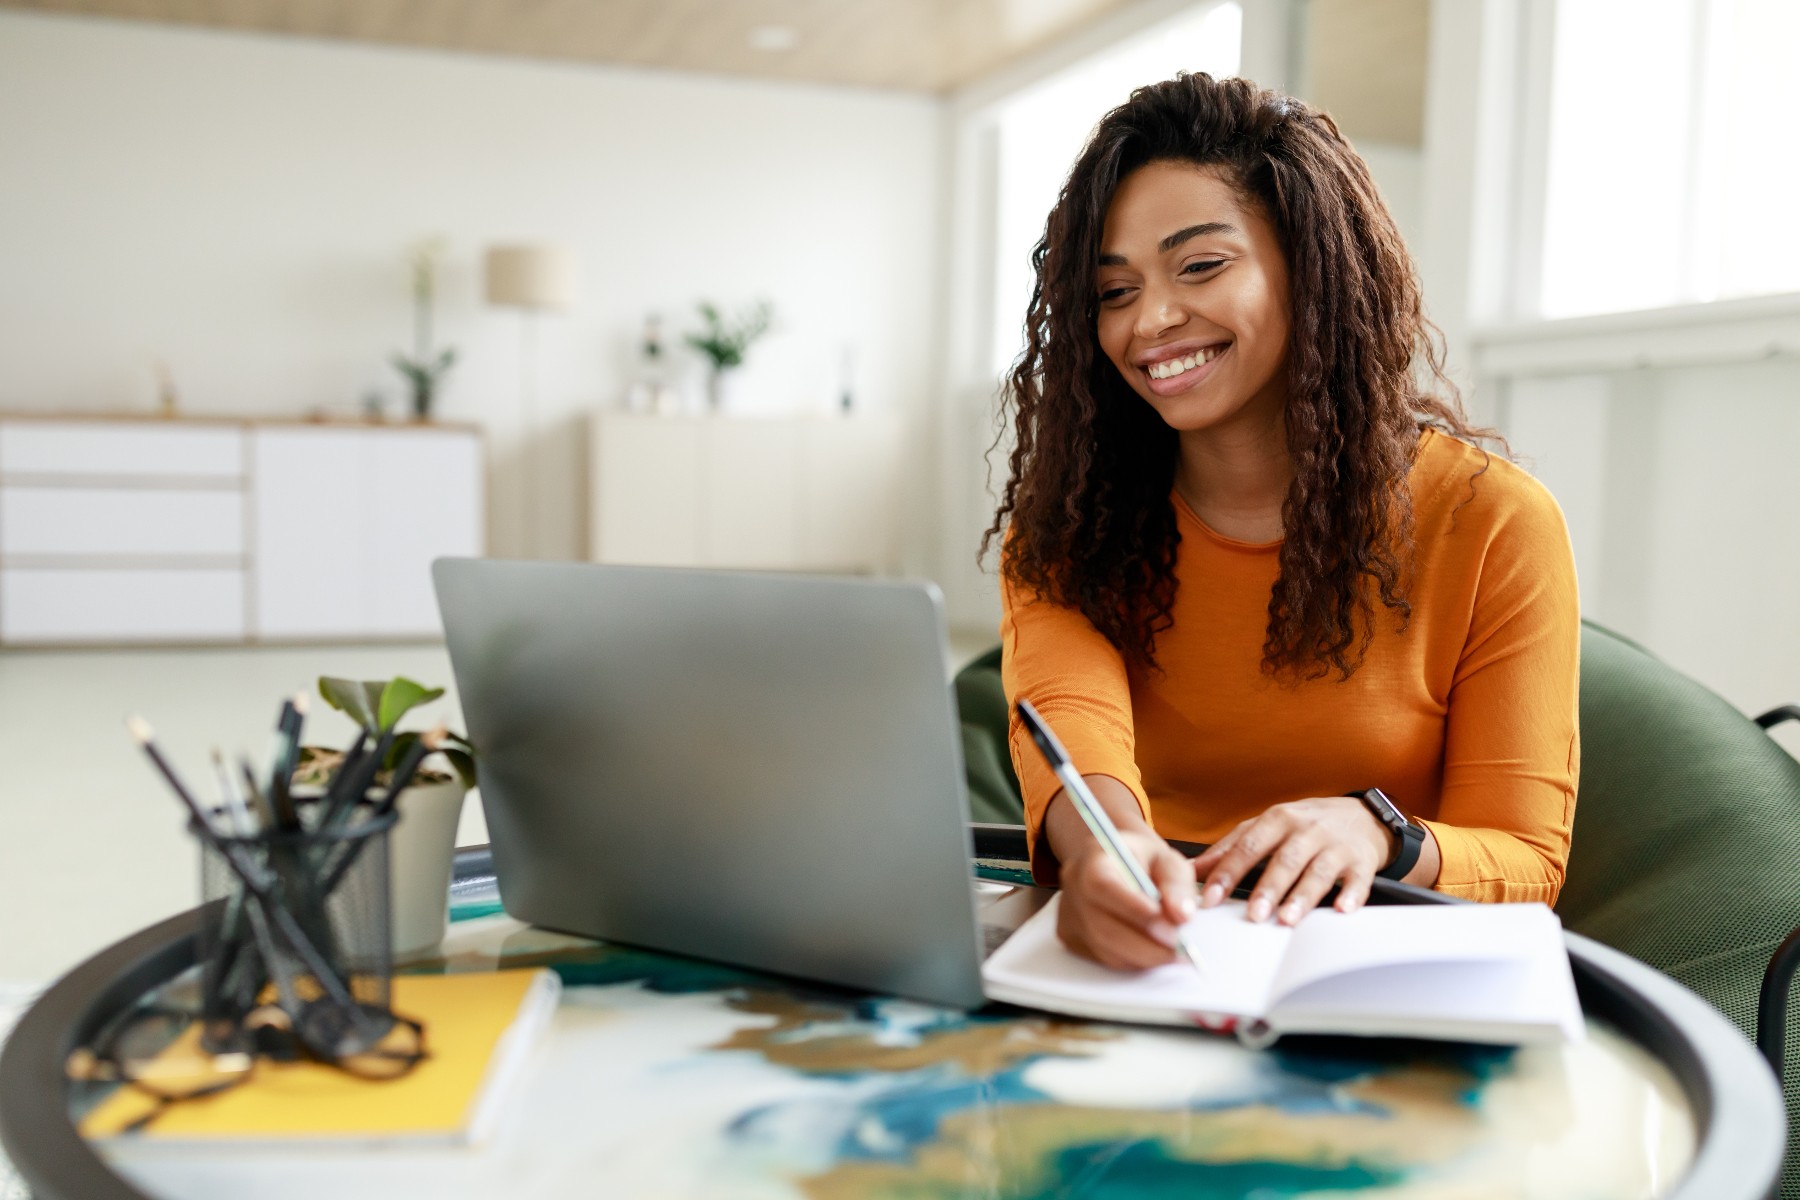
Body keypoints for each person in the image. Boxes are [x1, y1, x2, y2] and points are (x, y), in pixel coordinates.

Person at [986, 74, 1579, 972]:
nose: (1151, 321)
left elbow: (1527, 859)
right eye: (1114, 291)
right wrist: (1103, 849)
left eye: (1201, 266)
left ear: (1312, 263)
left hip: (1382, 969)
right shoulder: (1070, 520)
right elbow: (1075, 721)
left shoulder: (1493, 521)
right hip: (1150, 957)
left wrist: (1380, 833)